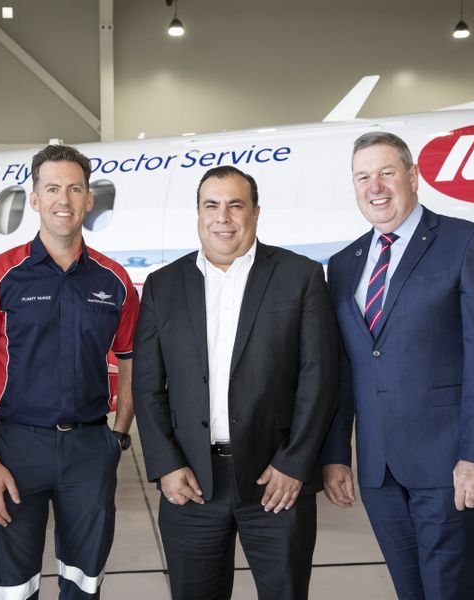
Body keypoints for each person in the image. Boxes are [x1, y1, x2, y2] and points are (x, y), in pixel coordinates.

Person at [321, 131, 474, 599]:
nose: (376, 187)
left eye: (387, 173)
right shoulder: (344, 264)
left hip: (452, 466)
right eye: (363, 177)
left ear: (412, 177)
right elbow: (344, 369)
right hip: (379, 471)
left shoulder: (468, 243)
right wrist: (334, 455)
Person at [133, 165, 338, 599]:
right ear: (198, 215)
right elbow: (148, 384)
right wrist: (165, 464)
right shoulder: (161, 286)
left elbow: (319, 377)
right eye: (211, 205)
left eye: (235, 205)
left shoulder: (299, 276)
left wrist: (295, 463)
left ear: (256, 213)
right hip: (190, 484)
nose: (222, 217)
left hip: (276, 483)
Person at [0, 144, 139, 599]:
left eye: (75, 189)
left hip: (89, 448)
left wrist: (116, 436)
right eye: (53, 188)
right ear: (35, 199)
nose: (65, 200)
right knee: (9, 589)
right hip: (15, 449)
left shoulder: (113, 281)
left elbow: (131, 358)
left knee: (84, 585)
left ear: (89, 199)